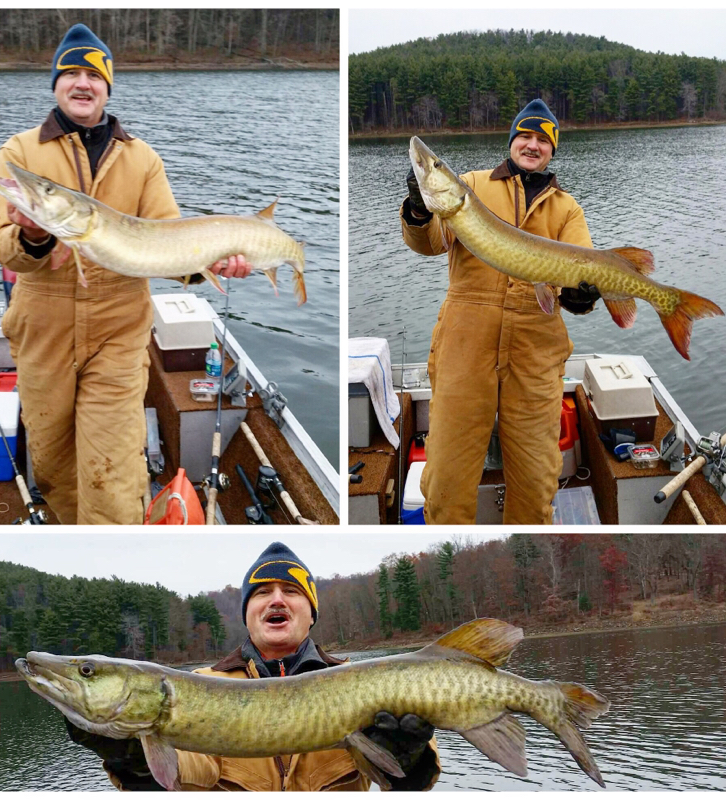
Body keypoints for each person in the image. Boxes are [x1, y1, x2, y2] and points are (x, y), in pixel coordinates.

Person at [0, 23, 251, 525]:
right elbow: (4, 247)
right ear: (56, 84)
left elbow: (170, 242)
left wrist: (211, 263)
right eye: (71, 73)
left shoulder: (142, 159)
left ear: (107, 88)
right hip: (42, 332)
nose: (82, 83)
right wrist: (36, 235)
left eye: (94, 75)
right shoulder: (20, 153)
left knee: (111, 476)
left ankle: (113, 536)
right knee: (53, 467)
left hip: (118, 333)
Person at [67, 542, 441, 791]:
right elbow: (186, 776)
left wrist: (412, 759)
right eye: (261, 592)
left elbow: (410, 785)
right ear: (247, 614)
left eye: (291, 591)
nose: (276, 599)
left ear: (311, 613)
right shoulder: (201, 685)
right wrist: (132, 759)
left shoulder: (362, 679)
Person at [401, 99, 599, 525]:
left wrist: (581, 295)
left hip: (536, 354)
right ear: (511, 141)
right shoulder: (470, 186)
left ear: (552, 150)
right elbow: (430, 242)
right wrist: (418, 209)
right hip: (464, 349)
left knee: (536, 483)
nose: (532, 145)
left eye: (542, 139)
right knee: (446, 479)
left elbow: (579, 270)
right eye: (524, 136)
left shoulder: (567, 209)